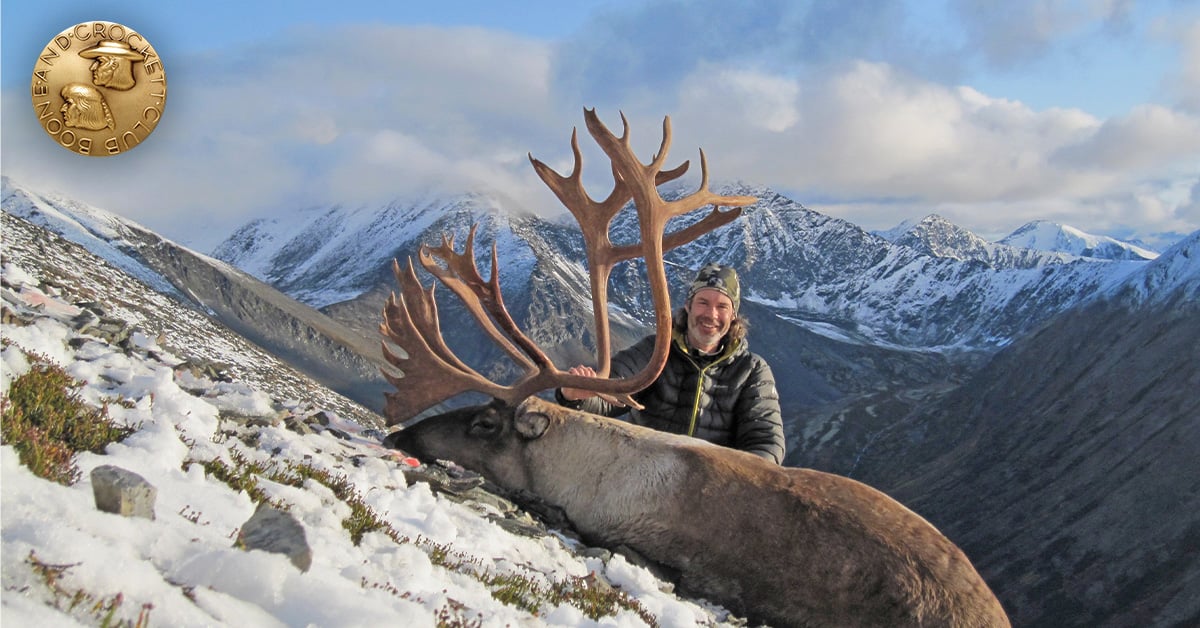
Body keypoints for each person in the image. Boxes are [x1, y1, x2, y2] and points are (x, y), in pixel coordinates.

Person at [557, 263, 786, 464]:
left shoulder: (752, 371)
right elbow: (610, 392)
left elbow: (766, 441)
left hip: (712, 490)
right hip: (645, 473)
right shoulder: (656, 350)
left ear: (733, 314)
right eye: (703, 303)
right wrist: (575, 395)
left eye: (722, 306)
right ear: (688, 306)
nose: (711, 314)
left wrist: (741, 479)